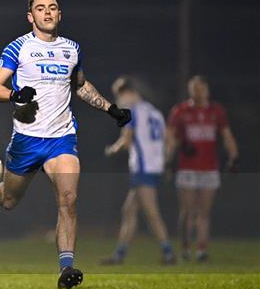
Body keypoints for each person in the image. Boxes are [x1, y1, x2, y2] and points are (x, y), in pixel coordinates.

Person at [0, 0, 131, 289]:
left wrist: (110, 109)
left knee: (69, 200)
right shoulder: (18, 47)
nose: (47, 12)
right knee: (9, 201)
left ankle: (66, 268)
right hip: (27, 139)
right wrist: (16, 94)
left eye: (53, 7)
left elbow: (80, 85)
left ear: (60, 14)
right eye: (41, 8)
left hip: (62, 138)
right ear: (30, 16)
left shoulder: (72, 48)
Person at [100, 76, 175, 265]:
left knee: (151, 212)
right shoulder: (155, 112)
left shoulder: (132, 112)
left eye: (120, 95)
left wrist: (111, 149)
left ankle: (168, 252)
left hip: (143, 168)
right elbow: (170, 140)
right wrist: (165, 162)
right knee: (129, 210)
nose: (118, 100)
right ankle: (120, 254)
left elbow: (126, 140)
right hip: (153, 167)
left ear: (131, 93)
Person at [166, 75, 238, 262]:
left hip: (209, 168)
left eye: (201, 88)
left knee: (204, 212)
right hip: (187, 168)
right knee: (187, 211)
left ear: (206, 89)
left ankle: (201, 250)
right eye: (194, 88)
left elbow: (226, 135)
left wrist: (233, 157)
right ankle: (186, 248)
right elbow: (171, 138)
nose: (198, 91)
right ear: (190, 90)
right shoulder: (180, 111)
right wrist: (168, 159)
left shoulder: (216, 111)